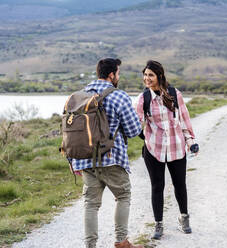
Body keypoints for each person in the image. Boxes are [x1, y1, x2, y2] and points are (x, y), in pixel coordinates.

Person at [69, 58, 143, 248]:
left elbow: (68, 132)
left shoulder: (78, 96)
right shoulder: (119, 96)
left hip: (84, 159)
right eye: (118, 73)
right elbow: (134, 130)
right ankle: (121, 241)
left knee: (91, 204)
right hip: (112, 158)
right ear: (111, 75)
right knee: (123, 196)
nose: (118, 76)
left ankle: (90, 245)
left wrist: (72, 160)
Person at [135, 60, 198, 240]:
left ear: (159, 76)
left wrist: (190, 141)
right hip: (153, 149)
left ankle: (184, 218)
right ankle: (158, 224)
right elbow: (135, 123)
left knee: (180, 185)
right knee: (157, 187)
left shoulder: (174, 94)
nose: (147, 79)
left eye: (151, 75)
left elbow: (184, 120)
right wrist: (144, 136)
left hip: (176, 147)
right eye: (145, 75)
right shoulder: (143, 98)